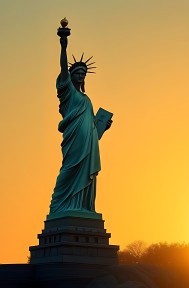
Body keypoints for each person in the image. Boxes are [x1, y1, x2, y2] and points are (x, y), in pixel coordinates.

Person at [48, 28, 112, 216]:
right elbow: (62, 68)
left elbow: (92, 129)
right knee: (69, 170)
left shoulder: (87, 100)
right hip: (73, 139)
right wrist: (63, 45)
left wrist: (103, 128)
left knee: (85, 174)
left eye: (84, 73)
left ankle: (83, 208)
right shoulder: (67, 92)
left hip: (88, 143)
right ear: (71, 75)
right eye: (78, 72)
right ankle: (59, 207)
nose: (81, 75)